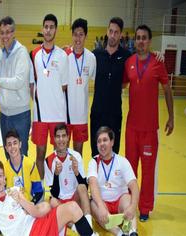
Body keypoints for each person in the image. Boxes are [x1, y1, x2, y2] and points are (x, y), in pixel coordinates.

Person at [123, 24, 174, 222]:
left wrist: (171, 116)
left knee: (148, 170)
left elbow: (168, 90)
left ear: (149, 41)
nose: (141, 41)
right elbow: (122, 83)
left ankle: (145, 208)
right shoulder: (128, 63)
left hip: (150, 130)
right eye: (138, 38)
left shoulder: (158, 63)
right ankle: (130, 204)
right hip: (131, 128)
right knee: (130, 170)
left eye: (144, 38)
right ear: (134, 41)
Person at [0, 159, 96, 236]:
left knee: (73, 207)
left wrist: (21, 200)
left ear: (5, 178)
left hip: (36, 226)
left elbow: (35, 212)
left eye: (0, 176)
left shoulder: (14, 190)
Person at [0, 16, 31, 157]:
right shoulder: (2, 53)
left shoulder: (22, 52)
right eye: (2, 32)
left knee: (21, 155)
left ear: (13, 33)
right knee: (8, 155)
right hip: (5, 115)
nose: (5, 36)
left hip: (20, 114)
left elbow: (18, 81)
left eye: (8, 32)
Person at [30, 14, 68, 179]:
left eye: (52, 27)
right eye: (46, 27)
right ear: (42, 29)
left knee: (59, 154)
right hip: (39, 115)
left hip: (58, 115)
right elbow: (31, 83)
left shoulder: (62, 55)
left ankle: (56, 188)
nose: (48, 30)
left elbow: (64, 85)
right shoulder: (34, 54)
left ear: (56, 30)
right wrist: (40, 99)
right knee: (40, 154)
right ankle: (44, 188)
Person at [90, 17, 131, 157]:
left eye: (116, 32)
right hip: (97, 112)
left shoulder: (126, 56)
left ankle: (111, 180)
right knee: (96, 153)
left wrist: (157, 55)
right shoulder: (95, 55)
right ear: (107, 31)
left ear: (120, 34)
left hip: (114, 113)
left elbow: (125, 83)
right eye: (111, 31)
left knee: (113, 153)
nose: (113, 35)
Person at [88, 126, 139, 236]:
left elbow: (134, 186)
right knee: (93, 204)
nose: (102, 144)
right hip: (104, 203)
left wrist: (133, 207)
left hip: (120, 201)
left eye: (105, 140)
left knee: (128, 199)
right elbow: (93, 185)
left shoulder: (122, 161)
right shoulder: (93, 162)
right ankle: (120, 233)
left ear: (112, 142)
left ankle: (133, 232)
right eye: (99, 141)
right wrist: (101, 207)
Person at [44, 123, 92, 234]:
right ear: (54, 139)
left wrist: (76, 173)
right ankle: (80, 230)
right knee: (52, 201)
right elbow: (54, 193)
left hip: (75, 199)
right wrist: (56, 174)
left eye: (64, 136)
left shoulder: (76, 156)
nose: (61, 140)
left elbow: (84, 186)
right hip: (60, 202)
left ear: (68, 137)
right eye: (58, 136)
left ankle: (88, 226)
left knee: (81, 187)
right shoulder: (49, 160)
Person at [66, 18, 96, 156]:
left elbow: (97, 82)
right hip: (64, 115)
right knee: (61, 153)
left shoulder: (91, 58)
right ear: (72, 35)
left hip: (81, 117)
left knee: (77, 155)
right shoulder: (64, 55)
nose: (78, 38)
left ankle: (77, 179)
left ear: (85, 36)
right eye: (75, 34)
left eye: (81, 34)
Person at [3, 129, 43, 203]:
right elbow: (2, 193)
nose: (12, 147)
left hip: (29, 205)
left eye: (15, 143)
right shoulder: (4, 169)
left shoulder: (30, 164)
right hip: (12, 207)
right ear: (6, 149)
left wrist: (31, 205)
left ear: (20, 144)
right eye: (9, 144)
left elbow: (39, 191)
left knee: (45, 207)